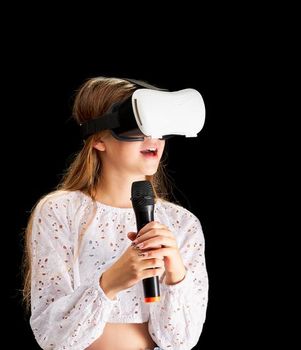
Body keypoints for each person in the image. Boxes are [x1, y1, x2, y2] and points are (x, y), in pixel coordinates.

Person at [23, 77, 209, 349]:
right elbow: (52, 337)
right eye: (137, 125)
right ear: (98, 137)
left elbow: (181, 341)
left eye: (159, 127)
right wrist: (109, 283)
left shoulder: (182, 224)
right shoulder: (60, 211)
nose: (152, 138)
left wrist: (175, 274)